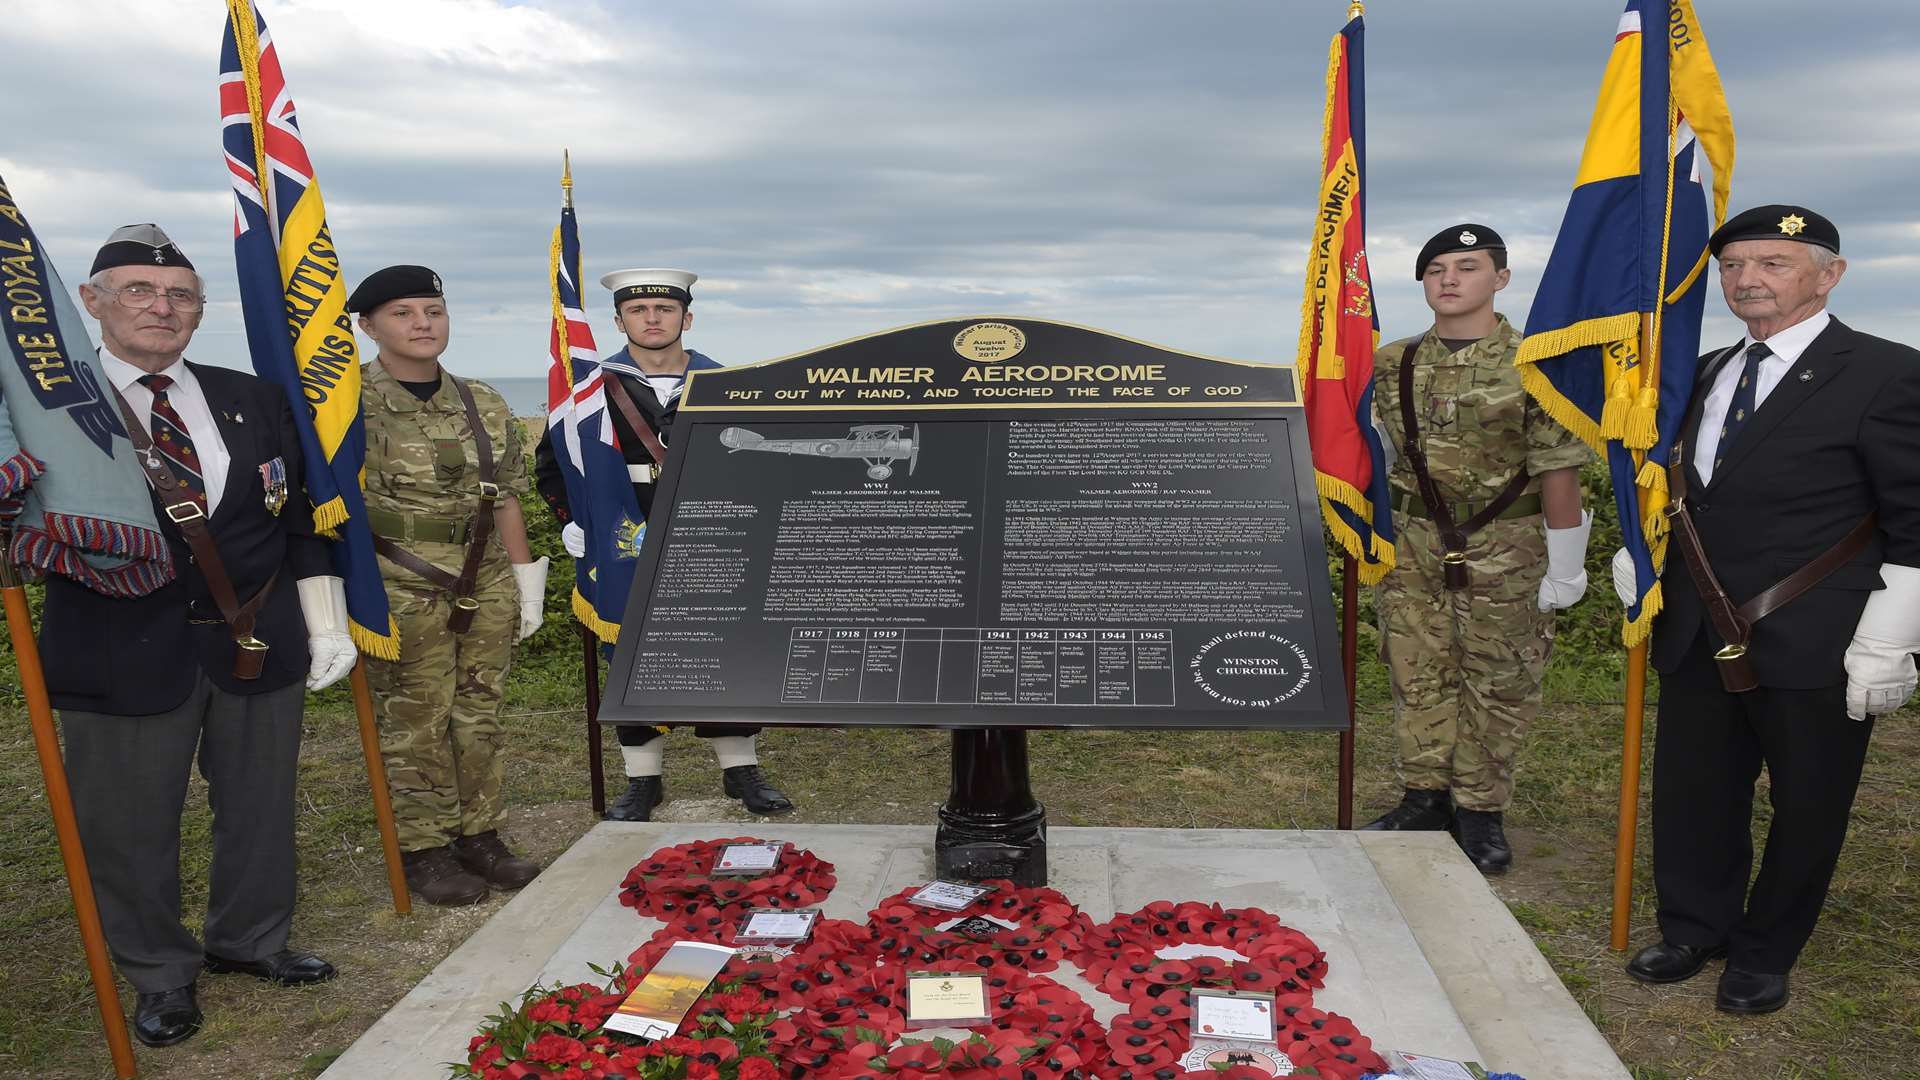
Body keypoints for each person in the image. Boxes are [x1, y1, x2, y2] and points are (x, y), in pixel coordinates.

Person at [41, 225, 354, 1047]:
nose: (161, 307)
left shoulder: (251, 394)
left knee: (259, 804)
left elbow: (298, 521)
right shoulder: (51, 406)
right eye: (138, 290)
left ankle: (249, 941)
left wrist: (325, 623)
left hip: (256, 637)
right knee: (131, 820)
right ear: (91, 301)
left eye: (180, 294)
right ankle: (158, 972)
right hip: (119, 649)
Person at [1616, 206, 1920, 1014]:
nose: (1747, 279)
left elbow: (1915, 515)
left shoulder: (1887, 371)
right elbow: (1686, 491)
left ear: (1829, 274)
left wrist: (1893, 636)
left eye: (1775, 263)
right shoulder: (1705, 369)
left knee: (1809, 801)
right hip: (1698, 627)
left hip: (1819, 633)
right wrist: (1642, 555)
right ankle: (1695, 927)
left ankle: (1764, 950)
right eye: (1733, 265)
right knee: (1694, 792)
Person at [1359, 224, 1594, 873]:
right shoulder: (1393, 360)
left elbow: (1559, 470)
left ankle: (1481, 810)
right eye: (1436, 269)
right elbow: (1370, 449)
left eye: (1467, 266)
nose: (1450, 279)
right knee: (1416, 669)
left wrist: (1567, 564)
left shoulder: (1536, 362)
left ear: (1501, 278)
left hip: (1507, 542)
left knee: (1500, 678)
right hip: (1413, 542)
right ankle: (1424, 797)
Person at [535, 267, 793, 822]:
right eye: (638, 310)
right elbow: (555, 464)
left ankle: (740, 768)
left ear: (686, 317)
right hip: (625, 537)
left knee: (722, 650)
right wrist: (571, 520)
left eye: (664, 310)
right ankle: (642, 780)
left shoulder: (726, 383)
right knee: (629, 654)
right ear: (619, 319)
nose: (652, 319)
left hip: (712, 533)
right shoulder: (590, 389)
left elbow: (759, 462)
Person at [350, 265, 549, 906]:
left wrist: (526, 582)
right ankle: (424, 846)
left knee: (478, 711)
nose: (422, 324)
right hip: (398, 577)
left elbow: (508, 496)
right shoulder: (347, 404)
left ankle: (480, 834)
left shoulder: (483, 400)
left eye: (432, 310)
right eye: (403, 313)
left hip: (485, 574)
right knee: (416, 715)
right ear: (367, 325)